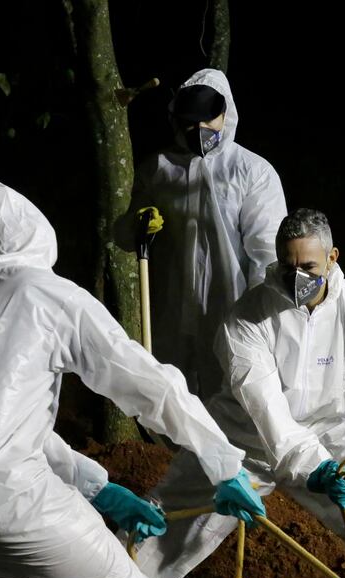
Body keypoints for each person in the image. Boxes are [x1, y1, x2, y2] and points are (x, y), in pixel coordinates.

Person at [0, 181, 261, 578]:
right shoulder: (47, 294)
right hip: (9, 501)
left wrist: (99, 488)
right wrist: (221, 461)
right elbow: (146, 383)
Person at [138, 208, 345, 578]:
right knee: (165, 528)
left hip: (331, 431)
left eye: (309, 266)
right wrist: (314, 465)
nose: (298, 278)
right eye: (289, 266)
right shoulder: (247, 319)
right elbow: (267, 411)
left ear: (332, 258)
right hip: (246, 440)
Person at [119, 68, 286, 399]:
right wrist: (137, 223)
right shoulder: (158, 169)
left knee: (230, 398)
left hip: (228, 308)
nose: (200, 130)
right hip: (169, 309)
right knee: (170, 397)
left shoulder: (251, 172)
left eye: (209, 120)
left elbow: (267, 253)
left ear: (226, 114)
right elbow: (124, 237)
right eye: (191, 122)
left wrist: (257, 317)